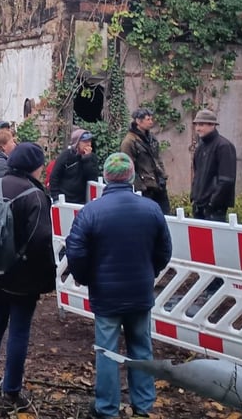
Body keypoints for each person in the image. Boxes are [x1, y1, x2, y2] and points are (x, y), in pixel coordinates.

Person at [65, 153, 172, 419]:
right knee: (141, 348)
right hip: (140, 291)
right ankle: (143, 407)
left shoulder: (91, 211)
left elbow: (75, 251)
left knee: (107, 351)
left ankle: (107, 409)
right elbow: (164, 250)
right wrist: (151, 272)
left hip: (106, 294)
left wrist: (85, 277)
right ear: (131, 176)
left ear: (106, 177)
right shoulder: (151, 209)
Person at [0, 142, 56, 411]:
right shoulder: (35, 194)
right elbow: (40, 241)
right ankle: (12, 391)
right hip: (21, 278)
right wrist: (45, 278)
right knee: (19, 330)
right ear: (34, 166)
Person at [190, 110, 237, 222]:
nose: (197, 128)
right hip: (200, 206)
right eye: (196, 124)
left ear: (212, 125)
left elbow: (227, 180)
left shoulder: (224, 146)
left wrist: (212, 203)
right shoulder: (200, 147)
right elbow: (197, 175)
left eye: (201, 124)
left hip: (215, 210)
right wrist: (194, 197)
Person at [120, 108, 170, 214]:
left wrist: (163, 176)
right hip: (144, 188)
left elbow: (157, 157)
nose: (151, 122)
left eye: (151, 119)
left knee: (165, 215)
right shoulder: (129, 142)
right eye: (148, 119)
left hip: (158, 184)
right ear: (138, 121)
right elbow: (129, 167)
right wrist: (140, 187)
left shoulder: (151, 138)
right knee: (147, 215)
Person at [49, 128, 99, 204]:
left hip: (83, 200)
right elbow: (54, 177)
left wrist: (86, 159)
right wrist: (56, 197)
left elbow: (93, 178)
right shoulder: (66, 156)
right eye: (85, 141)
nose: (88, 144)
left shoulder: (92, 158)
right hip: (65, 199)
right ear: (77, 143)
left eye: (89, 141)